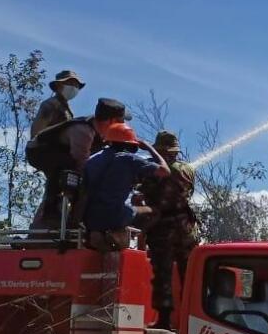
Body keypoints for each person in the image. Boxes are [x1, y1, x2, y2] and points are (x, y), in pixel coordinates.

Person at [28, 98, 130, 229]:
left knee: (78, 176)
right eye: (120, 122)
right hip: (39, 150)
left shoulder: (102, 132)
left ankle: (72, 215)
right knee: (70, 171)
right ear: (111, 121)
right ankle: (51, 212)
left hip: (64, 153)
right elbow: (81, 162)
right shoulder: (83, 131)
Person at [138, 131, 198, 327]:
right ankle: (193, 320)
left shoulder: (155, 172)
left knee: (163, 276)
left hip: (163, 230)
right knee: (189, 276)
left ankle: (164, 321)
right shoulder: (188, 169)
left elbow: (146, 195)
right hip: (187, 228)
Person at [81, 122, 170, 250]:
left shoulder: (92, 160)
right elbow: (165, 171)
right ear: (130, 144)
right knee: (153, 212)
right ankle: (123, 236)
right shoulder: (129, 159)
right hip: (115, 215)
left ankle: (99, 235)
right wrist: (150, 148)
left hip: (90, 217)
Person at [31, 69, 85, 138]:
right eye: (70, 84)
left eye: (76, 86)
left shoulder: (68, 110)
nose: (73, 88)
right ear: (58, 85)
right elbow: (36, 133)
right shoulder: (50, 105)